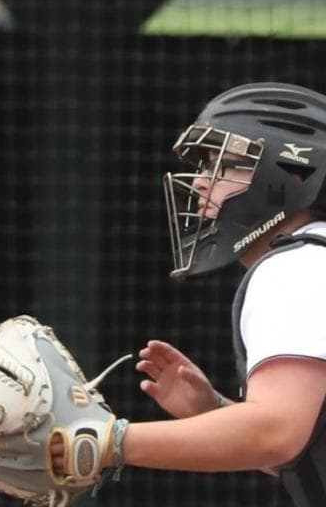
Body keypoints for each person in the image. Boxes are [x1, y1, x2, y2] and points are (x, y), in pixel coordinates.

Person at [50, 82, 326, 506]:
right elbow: (307, 449)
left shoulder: (294, 268)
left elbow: (278, 434)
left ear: (292, 172)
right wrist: (214, 413)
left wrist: (109, 441)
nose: (200, 182)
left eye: (224, 165)